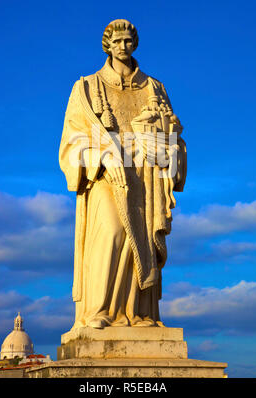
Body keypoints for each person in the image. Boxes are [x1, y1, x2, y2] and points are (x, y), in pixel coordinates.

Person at [59, 19, 187, 329]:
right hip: (105, 173)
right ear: (108, 45)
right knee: (115, 230)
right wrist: (103, 156)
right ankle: (99, 310)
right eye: (117, 41)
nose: (123, 46)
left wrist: (171, 144)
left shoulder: (154, 87)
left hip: (146, 173)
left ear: (135, 43)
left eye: (128, 40)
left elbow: (173, 133)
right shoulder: (87, 87)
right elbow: (71, 142)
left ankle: (138, 313)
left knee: (140, 238)